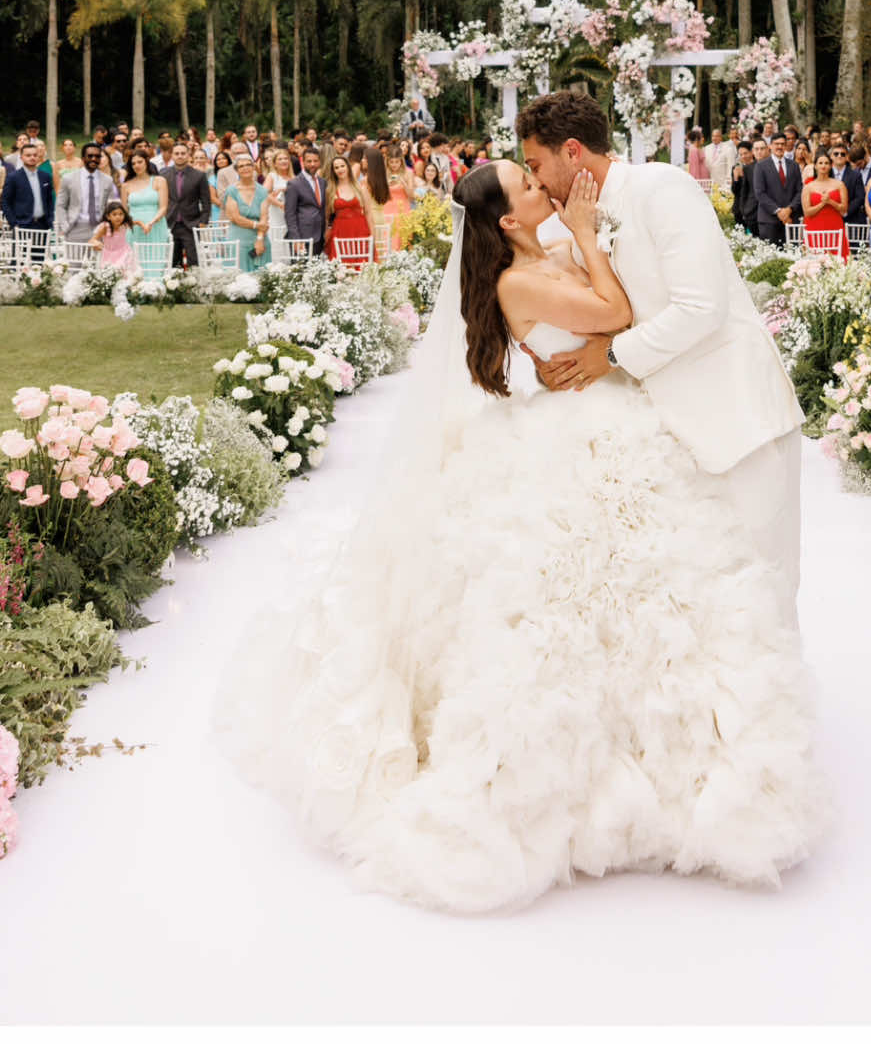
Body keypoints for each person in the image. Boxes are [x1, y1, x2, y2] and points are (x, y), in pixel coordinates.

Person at [216, 91, 818, 914]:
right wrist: (591, 273)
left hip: (661, 416)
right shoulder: (526, 274)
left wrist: (592, 280)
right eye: (524, 182)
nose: (535, 183)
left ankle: (702, 745)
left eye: (533, 166)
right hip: (594, 430)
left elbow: (674, 309)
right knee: (590, 603)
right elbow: (612, 311)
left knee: (686, 591)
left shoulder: (639, 200)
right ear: (504, 222)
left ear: (571, 153)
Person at [54, 142, 116, 245]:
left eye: (97, 156)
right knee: (74, 261)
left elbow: (109, 206)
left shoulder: (107, 180)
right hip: (74, 228)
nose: (93, 159)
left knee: (97, 261)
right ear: (83, 158)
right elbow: (60, 205)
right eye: (90, 156)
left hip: (99, 230)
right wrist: (65, 226)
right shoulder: (69, 179)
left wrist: (106, 226)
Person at [121, 149, 170, 279]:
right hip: (135, 227)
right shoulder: (126, 185)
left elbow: (163, 207)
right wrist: (135, 223)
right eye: (133, 163)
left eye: (140, 162)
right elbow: (124, 212)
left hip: (155, 225)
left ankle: (154, 287)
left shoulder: (159, 181)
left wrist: (151, 223)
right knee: (135, 260)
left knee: (154, 257)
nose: (137, 165)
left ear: (147, 162)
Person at [1, 142, 55, 255]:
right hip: (22, 225)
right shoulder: (13, 177)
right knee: (20, 262)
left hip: (42, 225)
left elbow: (50, 201)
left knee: (40, 261)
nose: (32, 158)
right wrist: (13, 223)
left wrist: (50, 220)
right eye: (28, 155)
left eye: (35, 155)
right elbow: (5, 201)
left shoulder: (45, 176)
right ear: (22, 157)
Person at [163, 141, 212, 267]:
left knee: (193, 262)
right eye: (177, 153)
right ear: (172, 155)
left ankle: (195, 285)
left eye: (183, 153)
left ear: (188, 155)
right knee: (172, 262)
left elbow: (206, 202)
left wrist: (203, 221)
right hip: (170, 224)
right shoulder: (163, 174)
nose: (180, 156)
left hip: (191, 224)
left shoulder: (199, 176)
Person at [363, 143, 413, 258]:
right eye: (391, 162)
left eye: (397, 162)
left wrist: (403, 182)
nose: (394, 165)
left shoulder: (408, 173)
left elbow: (411, 196)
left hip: (403, 209)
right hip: (387, 208)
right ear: (387, 161)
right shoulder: (383, 174)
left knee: (403, 239)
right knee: (388, 239)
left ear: (401, 161)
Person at [754, 133, 803, 246]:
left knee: (793, 257)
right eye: (776, 144)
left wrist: (789, 209)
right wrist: (778, 211)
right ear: (770, 146)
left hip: (791, 219)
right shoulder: (761, 166)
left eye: (782, 144)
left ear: (786, 146)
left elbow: (799, 191)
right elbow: (760, 193)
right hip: (768, 220)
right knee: (771, 259)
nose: (779, 147)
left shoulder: (794, 166)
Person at [324, 154, 372, 266]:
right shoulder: (330, 190)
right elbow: (327, 216)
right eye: (336, 167)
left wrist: (372, 235)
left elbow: (369, 213)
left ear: (348, 167)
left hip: (360, 229)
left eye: (342, 166)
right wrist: (327, 231)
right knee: (342, 265)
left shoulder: (360, 188)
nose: (340, 169)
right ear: (333, 171)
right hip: (340, 231)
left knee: (362, 263)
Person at [225, 154, 270, 272]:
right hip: (239, 240)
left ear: (253, 167)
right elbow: (235, 218)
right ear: (237, 171)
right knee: (239, 277)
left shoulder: (262, 190)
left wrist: (260, 239)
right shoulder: (232, 190)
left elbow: (264, 217)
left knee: (263, 277)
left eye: (248, 165)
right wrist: (256, 225)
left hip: (260, 238)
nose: (245, 168)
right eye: (241, 166)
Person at [801, 150, 849, 259]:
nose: (823, 166)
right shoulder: (808, 187)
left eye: (826, 163)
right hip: (814, 227)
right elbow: (807, 212)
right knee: (814, 260)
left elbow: (844, 210)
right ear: (815, 166)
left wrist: (830, 202)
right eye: (820, 163)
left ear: (831, 166)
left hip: (834, 225)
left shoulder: (839, 185)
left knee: (837, 259)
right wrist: (822, 203)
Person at [284, 148, 327, 256]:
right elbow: (290, 214)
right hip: (302, 237)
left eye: (315, 161)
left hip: (320, 236)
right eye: (309, 161)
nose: (313, 164)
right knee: (300, 271)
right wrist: (296, 239)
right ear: (303, 162)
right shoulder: (294, 184)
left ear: (320, 162)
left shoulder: (323, 182)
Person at [90, 199, 138, 274]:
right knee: (110, 274)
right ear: (108, 216)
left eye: (121, 214)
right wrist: (96, 243)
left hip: (124, 252)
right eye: (114, 214)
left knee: (125, 272)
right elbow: (92, 240)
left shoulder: (124, 225)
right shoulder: (105, 227)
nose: (118, 217)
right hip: (109, 255)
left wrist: (144, 225)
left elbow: (136, 222)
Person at [263, 149, 294, 250]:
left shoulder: (293, 177)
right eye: (280, 159)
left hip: (290, 215)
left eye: (285, 158)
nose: (283, 161)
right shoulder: (272, 176)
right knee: (277, 240)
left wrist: (284, 189)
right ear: (275, 163)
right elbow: (264, 194)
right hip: (276, 213)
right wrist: (280, 205)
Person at [731, 140, 759, 234]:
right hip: (739, 208)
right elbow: (734, 191)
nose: (743, 156)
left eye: (745, 153)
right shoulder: (736, 167)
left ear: (751, 152)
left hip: (754, 209)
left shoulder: (758, 167)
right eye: (741, 154)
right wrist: (736, 178)